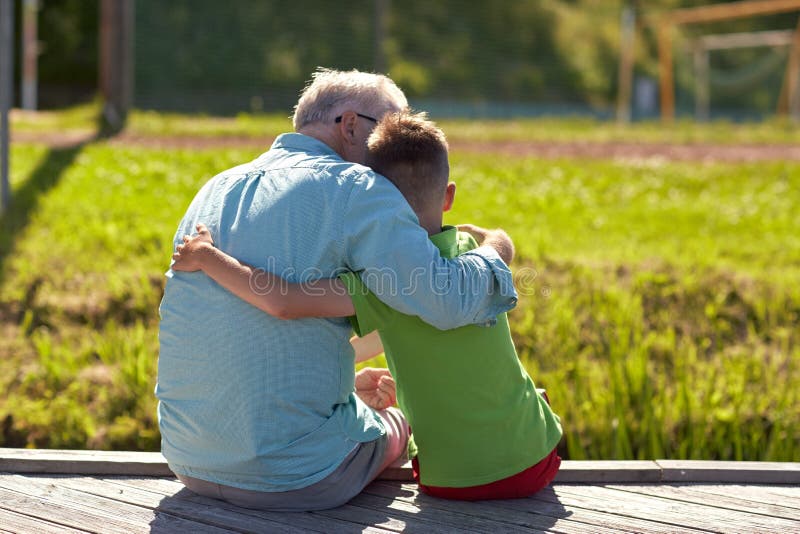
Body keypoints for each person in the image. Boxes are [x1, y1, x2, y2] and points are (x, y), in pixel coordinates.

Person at [156, 68, 518, 511]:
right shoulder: (360, 187)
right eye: (388, 131)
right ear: (350, 125)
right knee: (402, 420)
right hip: (298, 476)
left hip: (186, 459)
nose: (394, 153)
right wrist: (496, 248)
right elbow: (445, 299)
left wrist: (343, 381)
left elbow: (254, 327)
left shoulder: (214, 188)